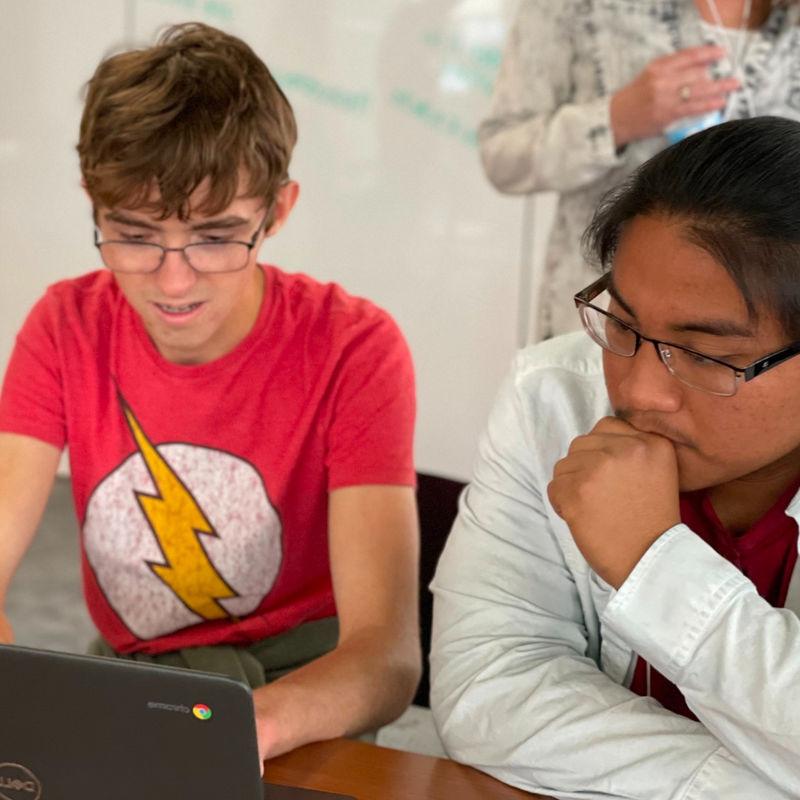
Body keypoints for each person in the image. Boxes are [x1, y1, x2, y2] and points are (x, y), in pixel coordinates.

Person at [0, 23, 421, 765]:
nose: (172, 281)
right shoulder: (64, 326)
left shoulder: (353, 347)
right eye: (132, 234)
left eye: (217, 236)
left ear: (277, 212)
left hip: (306, 692)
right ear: (92, 204)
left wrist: (231, 734)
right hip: (134, 681)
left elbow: (384, 660)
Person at [430, 116, 800, 799]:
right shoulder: (552, 397)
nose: (637, 390)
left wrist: (653, 565)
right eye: (623, 325)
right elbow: (489, 686)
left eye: (706, 353)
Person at [480, 0, 800, 340]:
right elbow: (503, 156)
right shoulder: (572, 7)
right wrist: (617, 118)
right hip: (604, 323)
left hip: (766, 341)